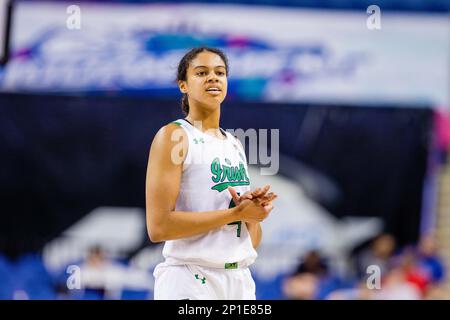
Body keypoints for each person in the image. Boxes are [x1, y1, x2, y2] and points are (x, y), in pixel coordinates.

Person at [145, 47, 277, 300]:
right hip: (190, 278)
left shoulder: (234, 144)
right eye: (201, 72)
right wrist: (235, 213)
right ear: (183, 85)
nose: (213, 78)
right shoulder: (175, 136)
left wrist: (252, 214)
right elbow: (158, 227)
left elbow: (250, 242)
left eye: (220, 72)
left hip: (238, 279)